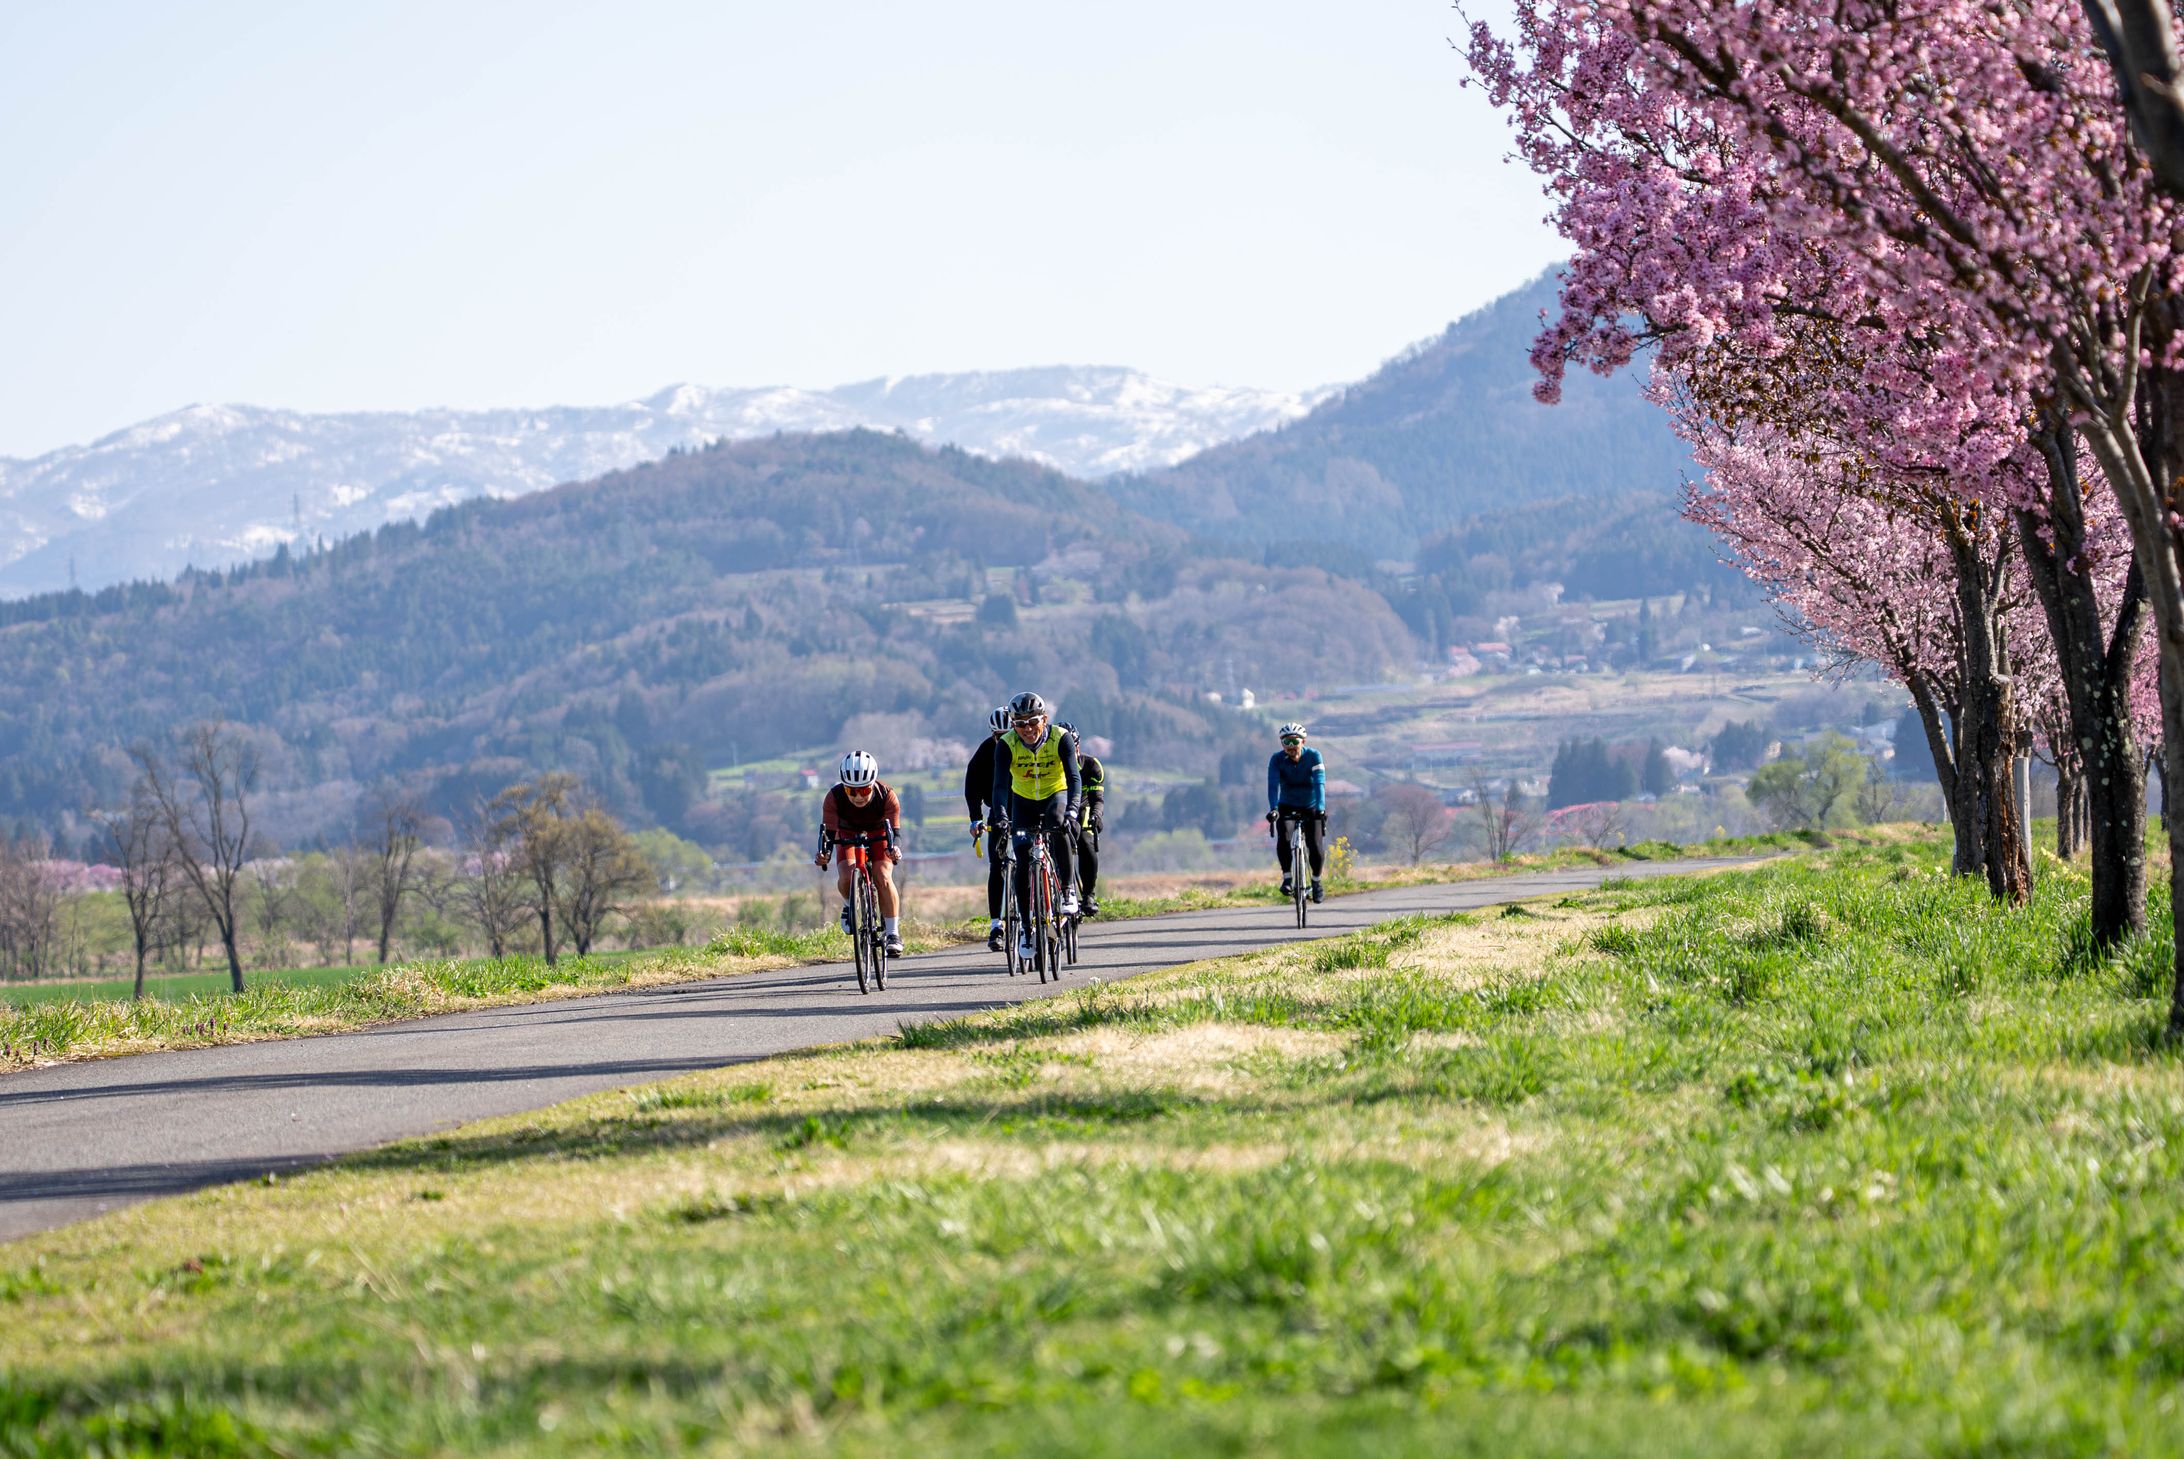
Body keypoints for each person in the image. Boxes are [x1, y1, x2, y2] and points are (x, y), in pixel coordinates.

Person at [987, 691, 1080, 962]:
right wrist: (1001, 815)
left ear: (1044, 719)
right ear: (1013, 724)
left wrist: (1073, 810)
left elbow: (1074, 777)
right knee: (1022, 859)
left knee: (1058, 825)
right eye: (1020, 724)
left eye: (1033, 722)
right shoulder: (1006, 745)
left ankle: (1067, 891)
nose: (1027, 729)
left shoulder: (1060, 738)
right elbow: (1000, 786)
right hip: (1024, 802)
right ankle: (1027, 929)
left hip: (1055, 795)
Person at [814, 749, 904, 956]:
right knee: (846, 876)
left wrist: (894, 849)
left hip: (879, 831)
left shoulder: (887, 795)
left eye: (864, 790)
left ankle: (893, 933)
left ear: (873, 784)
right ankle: (849, 904)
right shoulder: (833, 797)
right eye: (851, 791)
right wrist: (824, 854)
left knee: (882, 876)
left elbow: (895, 832)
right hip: (846, 831)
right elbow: (829, 833)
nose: (858, 797)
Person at [964, 705, 1012, 951]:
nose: (1003, 740)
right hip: (998, 809)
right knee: (997, 864)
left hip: (1026, 806)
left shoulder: (1026, 747)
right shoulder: (985, 751)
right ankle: (996, 925)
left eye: (1008, 735)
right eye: (998, 736)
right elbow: (972, 786)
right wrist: (975, 819)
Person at [1266, 722, 1326, 902]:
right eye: (1286, 742)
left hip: (1311, 805)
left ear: (1303, 741)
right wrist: (1273, 809)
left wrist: (1321, 808)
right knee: (1284, 837)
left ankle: (1316, 881)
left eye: (1294, 741)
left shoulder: (1314, 756)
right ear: (1282, 744)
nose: (1291, 746)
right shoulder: (1276, 759)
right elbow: (1272, 786)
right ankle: (1287, 878)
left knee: (1315, 845)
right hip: (1287, 804)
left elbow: (1319, 784)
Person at [1057, 721, 1105, 916]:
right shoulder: (1050, 768)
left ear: (1078, 745)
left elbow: (1097, 799)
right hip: (1058, 807)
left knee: (1085, 841)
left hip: (1082, 809)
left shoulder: (1091, 766)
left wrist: (1096, 816)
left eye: (1073, 745)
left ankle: (1088, 895)